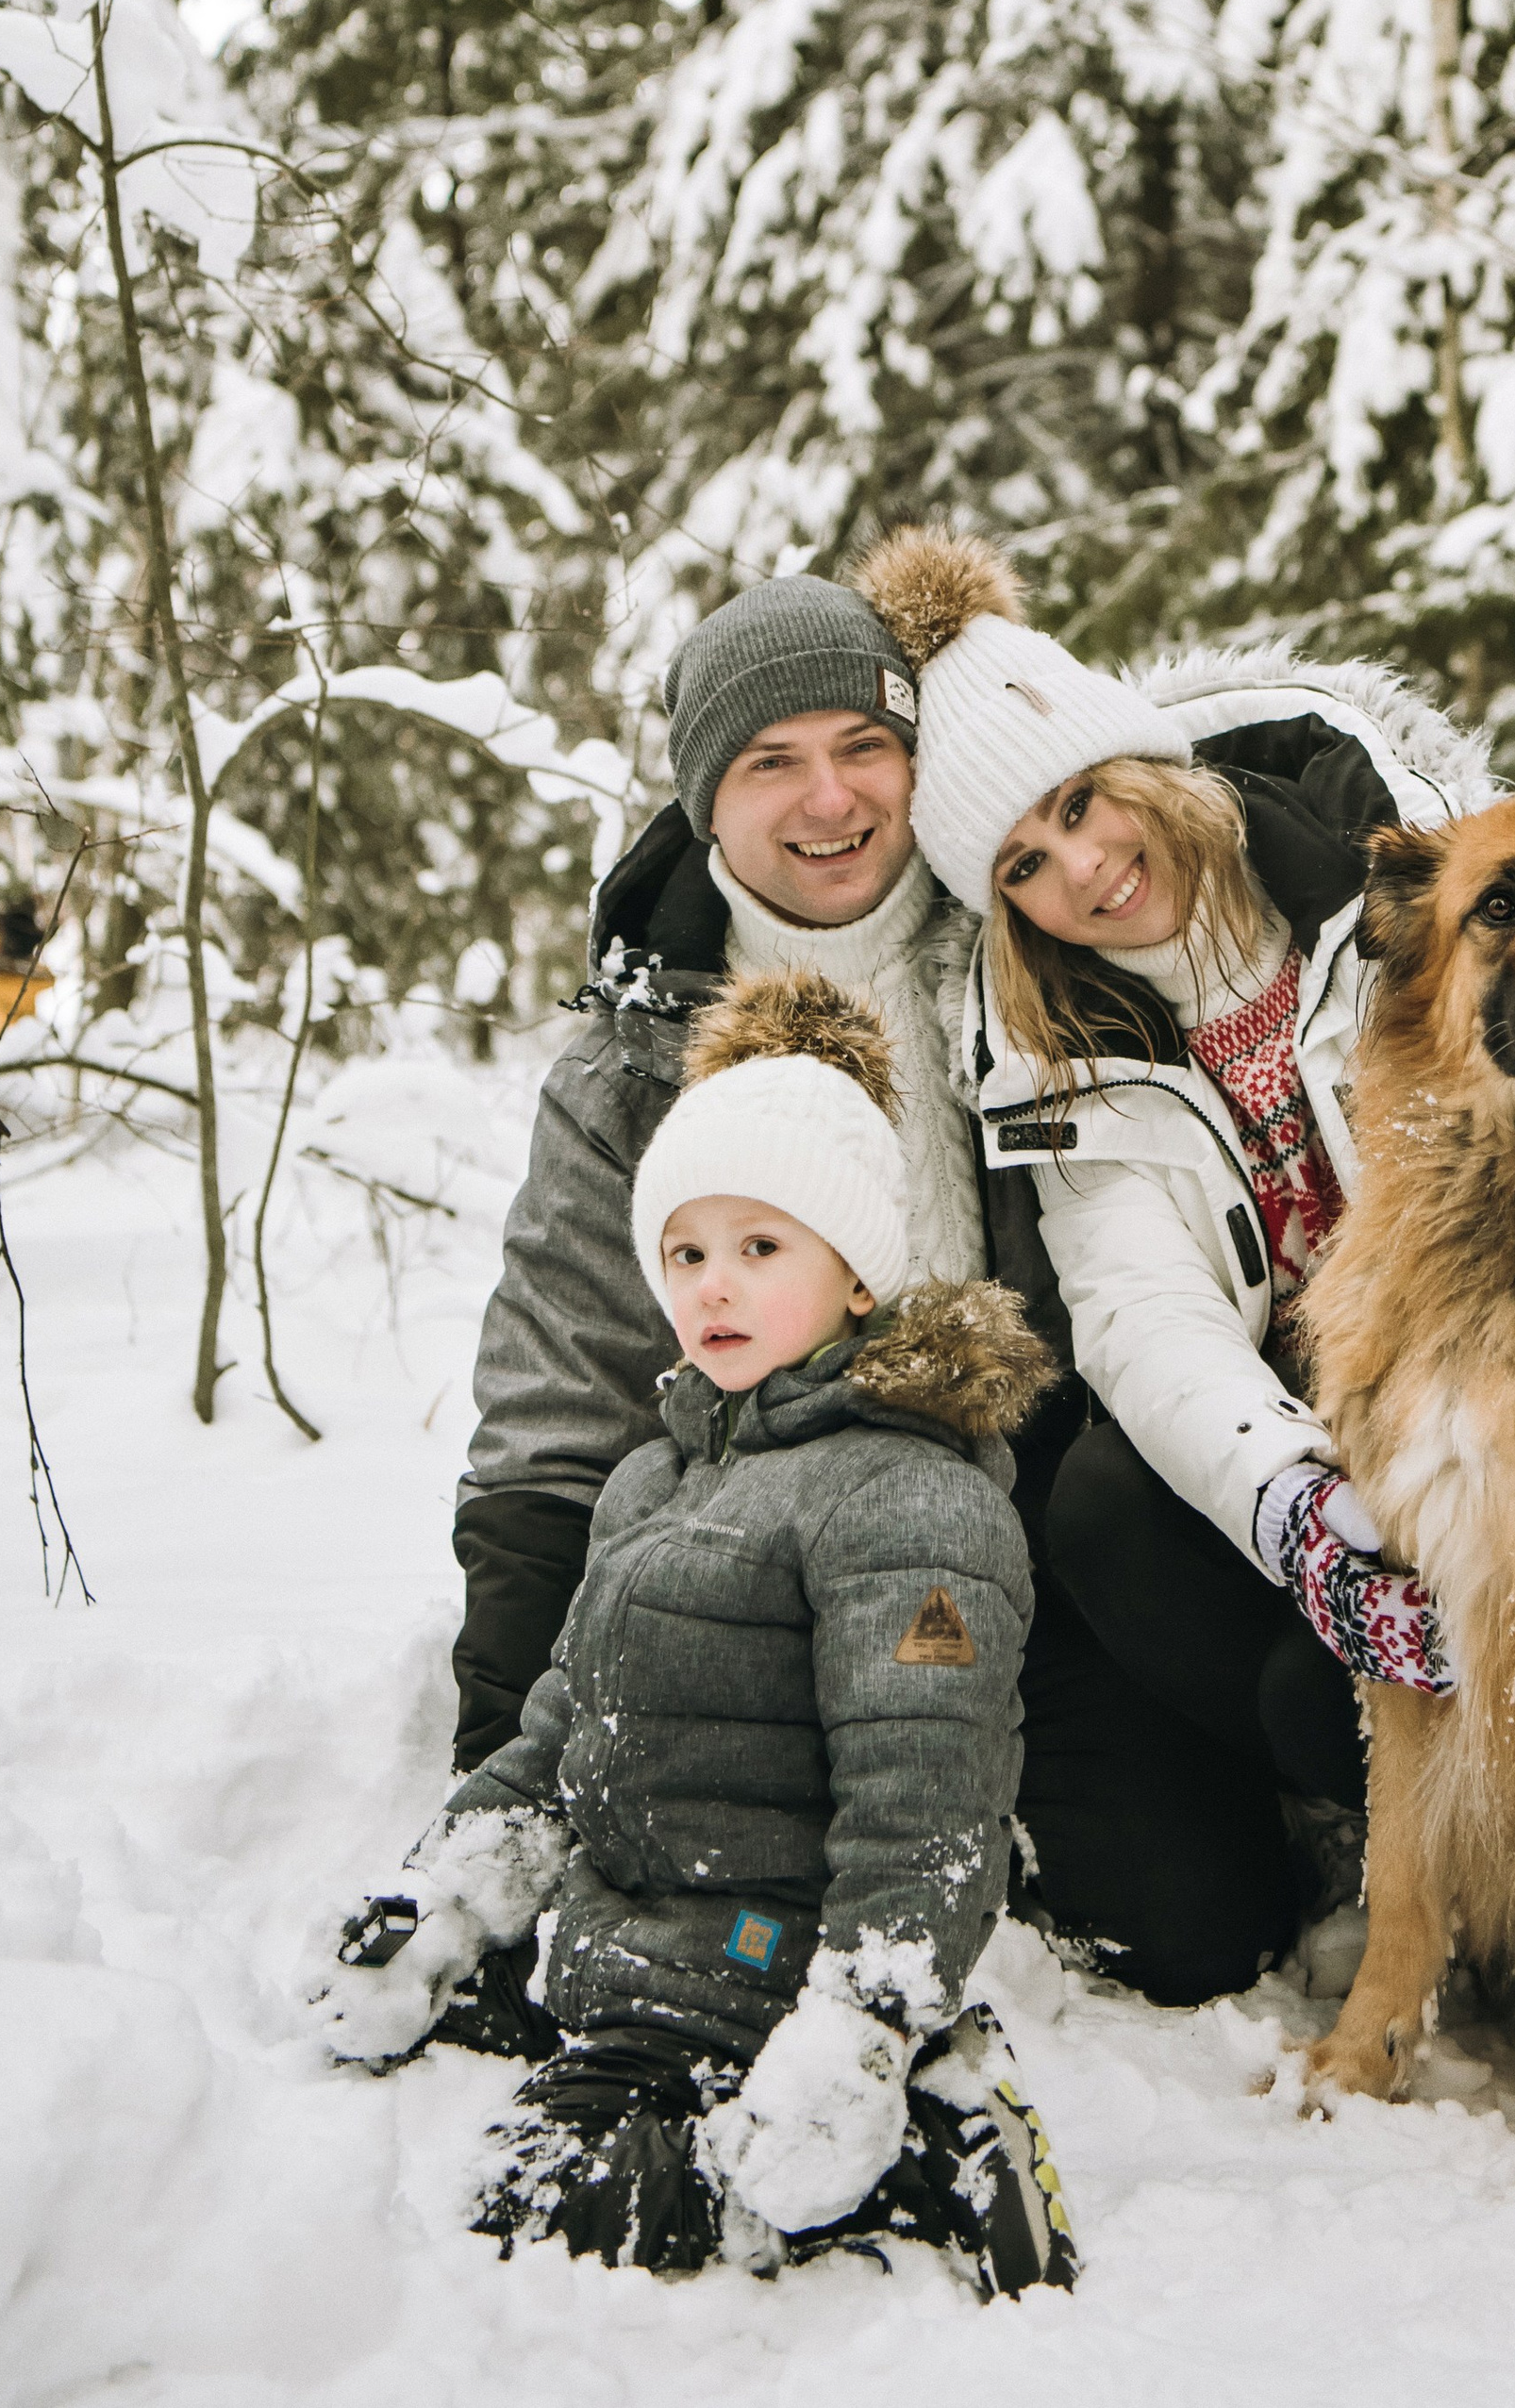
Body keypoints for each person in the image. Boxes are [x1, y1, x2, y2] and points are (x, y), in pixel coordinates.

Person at [853, 525, 1515, 1844]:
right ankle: (1352, 1808)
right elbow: (1146, 1319)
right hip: (1324, 1447)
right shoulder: (1059, 1055)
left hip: (1505, 1388)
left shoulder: (1409, 893)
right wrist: (1299, 1507)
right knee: (1117, 1520)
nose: (1081, 868)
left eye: (1082, 802)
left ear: (1140, 764)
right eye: (1023, 864)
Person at [440, 567, 1306, 2008]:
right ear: (703, 802)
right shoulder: (635, 1063)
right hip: (757, 1551)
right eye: (771, 763)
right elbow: (554, 1403)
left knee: (1197, 1938)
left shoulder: (1033, 964)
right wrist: (501, 1750)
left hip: (1027, 1539)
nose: (828, 798)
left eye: (863, 749)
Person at [319, 973, 1077, 2298]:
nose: (714, 1285)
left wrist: (862, 2021)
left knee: (577, 2220)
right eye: (686, 1252)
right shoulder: (654, 1480)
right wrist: (446, 1900)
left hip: (762, 1969)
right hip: (625, 1940)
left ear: (857, 1276)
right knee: (494, 2137)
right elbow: (562, 1726)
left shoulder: (909, 1502)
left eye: (762, 1248)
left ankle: (933, 2132)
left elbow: (928, 1803)